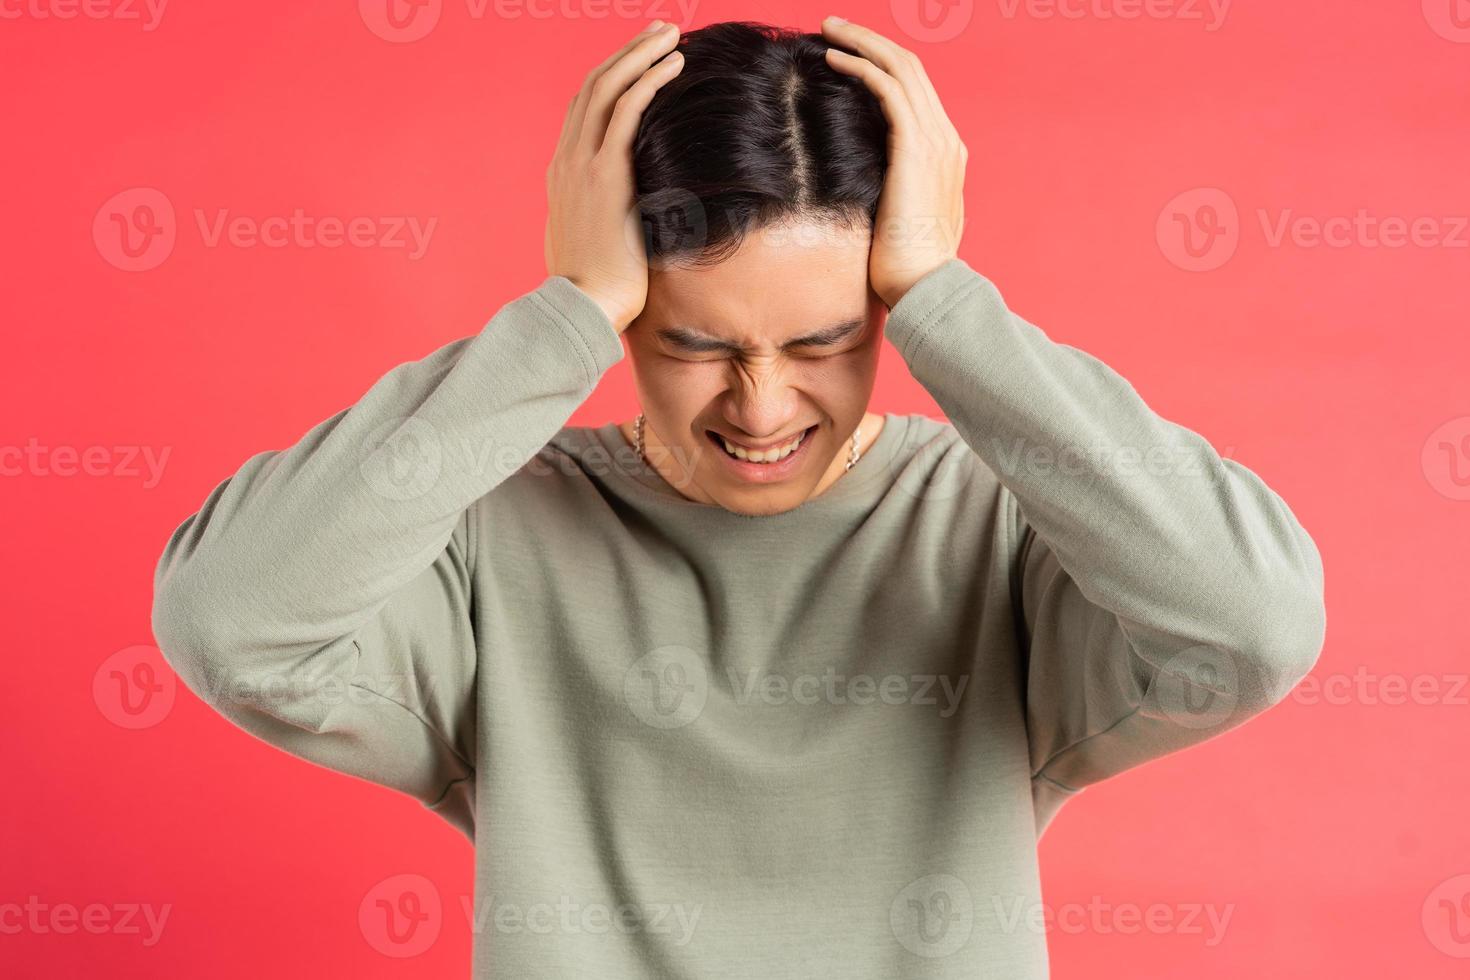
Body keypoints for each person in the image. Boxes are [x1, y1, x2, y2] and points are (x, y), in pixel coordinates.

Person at [150, 17, 1326, 978]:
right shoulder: (492, 531)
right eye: (691, 343)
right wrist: (561, 313)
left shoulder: (1005, 523)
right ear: (624, 319)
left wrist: (946, 296)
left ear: (881, 311)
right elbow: (228, 621)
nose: (760, 408)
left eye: (824, 340)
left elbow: (1253, 623)